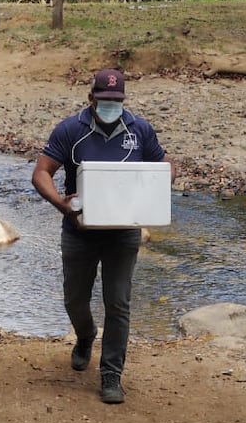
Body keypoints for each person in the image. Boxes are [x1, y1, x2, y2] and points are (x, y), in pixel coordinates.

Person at [31, 69, 170, 405]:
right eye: (105, 100)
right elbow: (41, 173)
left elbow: (165, 165)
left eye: (116, 100)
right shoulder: (70, 130)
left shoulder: (139, 130)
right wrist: (63, 205)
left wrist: (156, 188)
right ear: (91, 98)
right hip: (79, 231)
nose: (111, 106)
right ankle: (85, 336)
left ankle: (111, 373)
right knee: (74, 300)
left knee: (118, 302)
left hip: (123, 232)